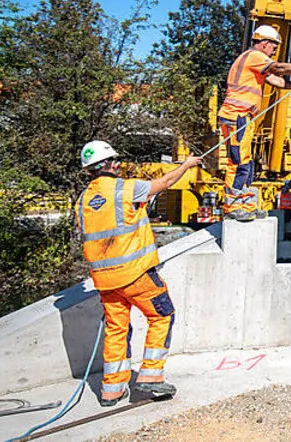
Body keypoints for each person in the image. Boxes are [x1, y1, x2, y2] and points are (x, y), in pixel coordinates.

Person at [75, 141, 202, 406]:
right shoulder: (127, 188)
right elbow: (165, 182)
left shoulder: (82, 201)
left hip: (105, 281)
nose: (118, 164)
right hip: (136, 274)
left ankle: (112, 390)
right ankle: (151, 377)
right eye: (115, 161)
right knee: (162, 315)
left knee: (116, 329)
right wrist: (187, 165)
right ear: (109, 165)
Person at [217, 25, 291, 219]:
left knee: (247, 163)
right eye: (274, 46)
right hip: (237, 116)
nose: (274, 51)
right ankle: (232, 208)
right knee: (239, 162)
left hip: (241, 117)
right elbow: (279, 68)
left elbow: (278, 81)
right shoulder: (254, 56)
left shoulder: (253, 62)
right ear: (264, 43)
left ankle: (245, 206)